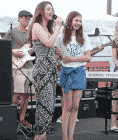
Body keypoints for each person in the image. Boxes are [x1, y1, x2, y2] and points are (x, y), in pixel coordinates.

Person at [27, 1, 63, 140]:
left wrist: (56, 53)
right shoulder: (36, 26)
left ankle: (42, 136)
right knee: (44, 105)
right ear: (41, 12)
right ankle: (39, 136)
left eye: (52, 9)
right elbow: (48, 43)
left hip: (51, 70)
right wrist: (58, 26)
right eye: (48, 9)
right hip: (42, 71)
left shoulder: (47, 30)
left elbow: (49, 46)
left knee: (48, 106)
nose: (51, 11)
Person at [54, 11, 93, 140]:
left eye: (80, 21)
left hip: (80, 72)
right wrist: (60, 56)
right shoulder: (60, 37)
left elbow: (88, 57)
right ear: (70, 20)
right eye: (76, 20)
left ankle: (71, 137)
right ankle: (65, 137)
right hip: (66, 72)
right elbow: (57, 55)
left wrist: (72, 58)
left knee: (76, 106)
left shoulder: (84, 36)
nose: (78, 23)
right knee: (67, 107)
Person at [3, 10, 36, 127]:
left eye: (28, 19)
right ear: (19, 18)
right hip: (17, 66)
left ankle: (22, 119)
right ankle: (11, 118)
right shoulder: (12, 32)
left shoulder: (30, 33)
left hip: (29, 66)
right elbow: (3, 46)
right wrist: (16, 53)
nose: (27, 20)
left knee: (27, 95)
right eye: (24, 18)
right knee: (17, 94)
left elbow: (31, 49)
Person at [110, 21, 118, 131]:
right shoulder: (115, 41)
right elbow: (114, 57)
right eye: (116, 26)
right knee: (116, 99)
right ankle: (113, 125)